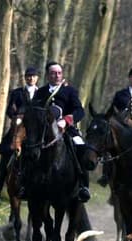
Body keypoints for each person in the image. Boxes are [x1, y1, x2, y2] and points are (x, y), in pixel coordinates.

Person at [25, 61, 91, 202]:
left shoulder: (70, 91)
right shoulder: (40, 92)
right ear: (48, 75)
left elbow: (79, 111)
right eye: (53, 73)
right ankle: (25, 184)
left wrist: (66, 120)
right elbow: (33, 111)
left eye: (59, 73)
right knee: (27, 148)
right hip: (43, 132)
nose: (57, 76)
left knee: (81, 147)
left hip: (66, 129)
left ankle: (83, 186)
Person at [0, 65, 40, 194]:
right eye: (28, 76)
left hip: (33, 130)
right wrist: (15, 115)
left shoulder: (41, 93)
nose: (31, 78)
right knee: (6, 151)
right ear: (25, 78)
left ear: (37, 78)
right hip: (18, 126)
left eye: (33, 76)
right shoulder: (17, 92)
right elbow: (9, 110)